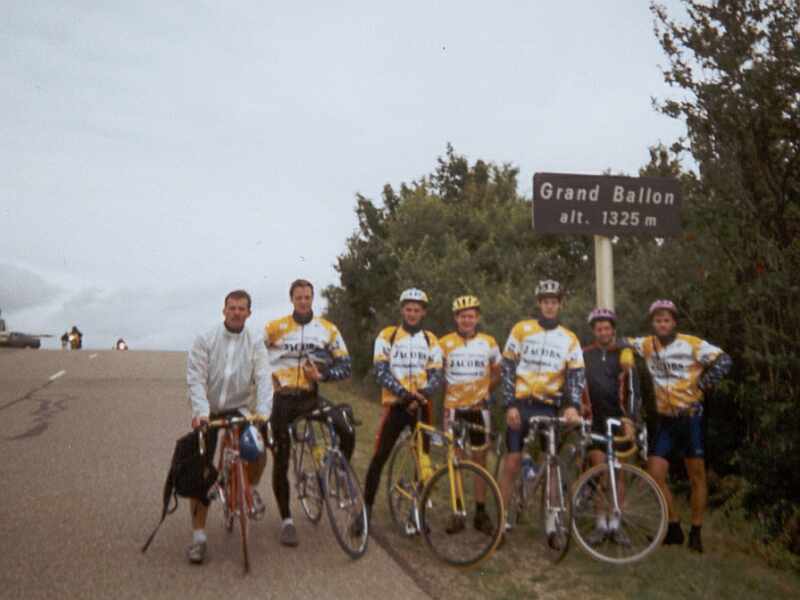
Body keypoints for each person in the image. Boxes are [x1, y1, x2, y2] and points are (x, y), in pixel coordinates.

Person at [627, 299, 731, 553]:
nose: (662, 324)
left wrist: (704, 384)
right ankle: (673, 526)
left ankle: (696, 531)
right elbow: (621, 342)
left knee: (696, 475)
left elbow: (725, 360)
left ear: (674, 322)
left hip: (690, 417)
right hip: (664, 420)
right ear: (653, 324)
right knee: (655, 474)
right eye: (658, 321)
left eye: (666, 320)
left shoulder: (691, 344)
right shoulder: (647, 345)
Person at [186, 289, 272, 565]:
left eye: (242, 308)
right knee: (199, 471)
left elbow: (264, 377)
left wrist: (264, 413)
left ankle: (250, 484)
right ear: (224, 310)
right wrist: (200, 413)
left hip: (240, 409)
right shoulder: (205, 338)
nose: (236, 312)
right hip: (209, 409)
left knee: (259, 450)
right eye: (232, 308)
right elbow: (196, 378)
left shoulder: (255, 340)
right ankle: (199, 538)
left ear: (249, 313)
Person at [264, 279, 353, 547]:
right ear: (291, 299)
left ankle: (333, 469)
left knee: (345, 427)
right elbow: (254, 356)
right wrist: (268, 378)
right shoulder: (275, 328)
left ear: (312, 299)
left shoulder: (327, 329)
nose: (304, 301)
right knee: (281, 456)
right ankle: (286, 520)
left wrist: (323, 374)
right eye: (299, 297)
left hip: (310, 397)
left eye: (308, 297)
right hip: (282, 400)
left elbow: (346, 366)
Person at [498, 279, 584, 547]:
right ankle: (500, 522)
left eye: (554, 302)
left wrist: (572, 406)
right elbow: (508, 367)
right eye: (545, 301)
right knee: (512, 461)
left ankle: (552, 525)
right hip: (522, 404)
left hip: (550, 405)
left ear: (560, 305)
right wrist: (509, 404)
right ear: (539, 304)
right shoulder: (522, 329)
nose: (549, 306)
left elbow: (575, 375)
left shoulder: (569, 338)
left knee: (553, 464)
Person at [363, 288, 443, 530]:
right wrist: (404, 394)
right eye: (408, 309)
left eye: (416, 310)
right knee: (379, 457)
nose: (412, 314)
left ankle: (416, 513)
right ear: (402, 310)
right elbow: (381, 370)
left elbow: (437, 373)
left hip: (421, 407)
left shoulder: (430, 339)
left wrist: (424, 393)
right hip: (396, 406)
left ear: (423, 312)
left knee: (423, 461)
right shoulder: (387, 335)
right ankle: (365, 511)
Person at [438, 295, 501, 535]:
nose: (467, 320)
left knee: (480, 461)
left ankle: (481, 512)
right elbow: (438, 373)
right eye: (463, 316)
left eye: (471, 316)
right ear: (456, 318)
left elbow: (498, 371)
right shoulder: (444, 343)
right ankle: (457, 511)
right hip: (454, 409)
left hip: (479, 410)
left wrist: (486, 393)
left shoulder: (489, 342)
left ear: (477, 318)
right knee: (455, 459)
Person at [581, 307, 641, 546]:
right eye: (599, 328)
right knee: (601, 473)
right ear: (594, 331)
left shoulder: (624, 355)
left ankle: (616, 525)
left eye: (607, 328)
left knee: (619, 475)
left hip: (619, 420)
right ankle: (600, 523)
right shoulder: (585, 354)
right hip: (595, 420)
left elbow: (634, 390)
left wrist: (631, 419)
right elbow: (576, 383)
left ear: (613, 330)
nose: (603, 332)